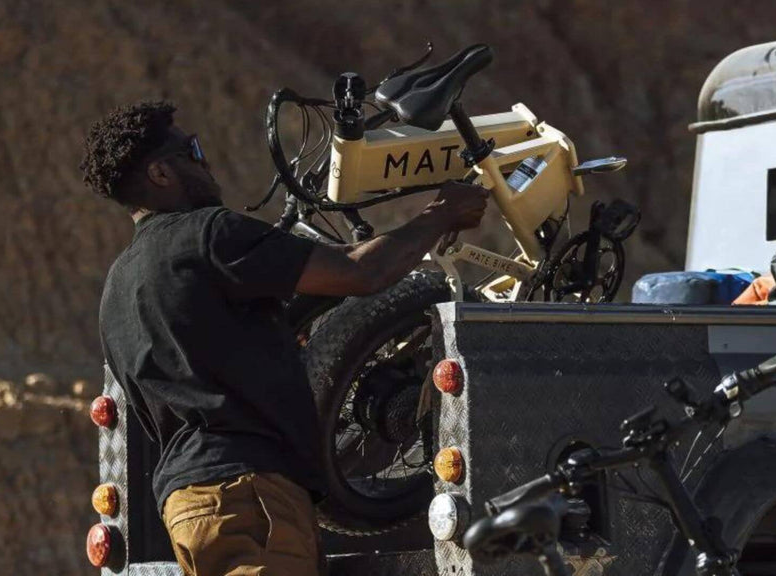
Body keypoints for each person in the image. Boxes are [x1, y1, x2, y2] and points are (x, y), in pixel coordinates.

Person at [80, 101, 488, 576]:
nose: (205, 161)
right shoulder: (210, 235)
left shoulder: (117, 287)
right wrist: (441, 214)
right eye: (192, 150)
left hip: (186, 504)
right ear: (160, 172)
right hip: (248, 492)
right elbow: (361, 270)